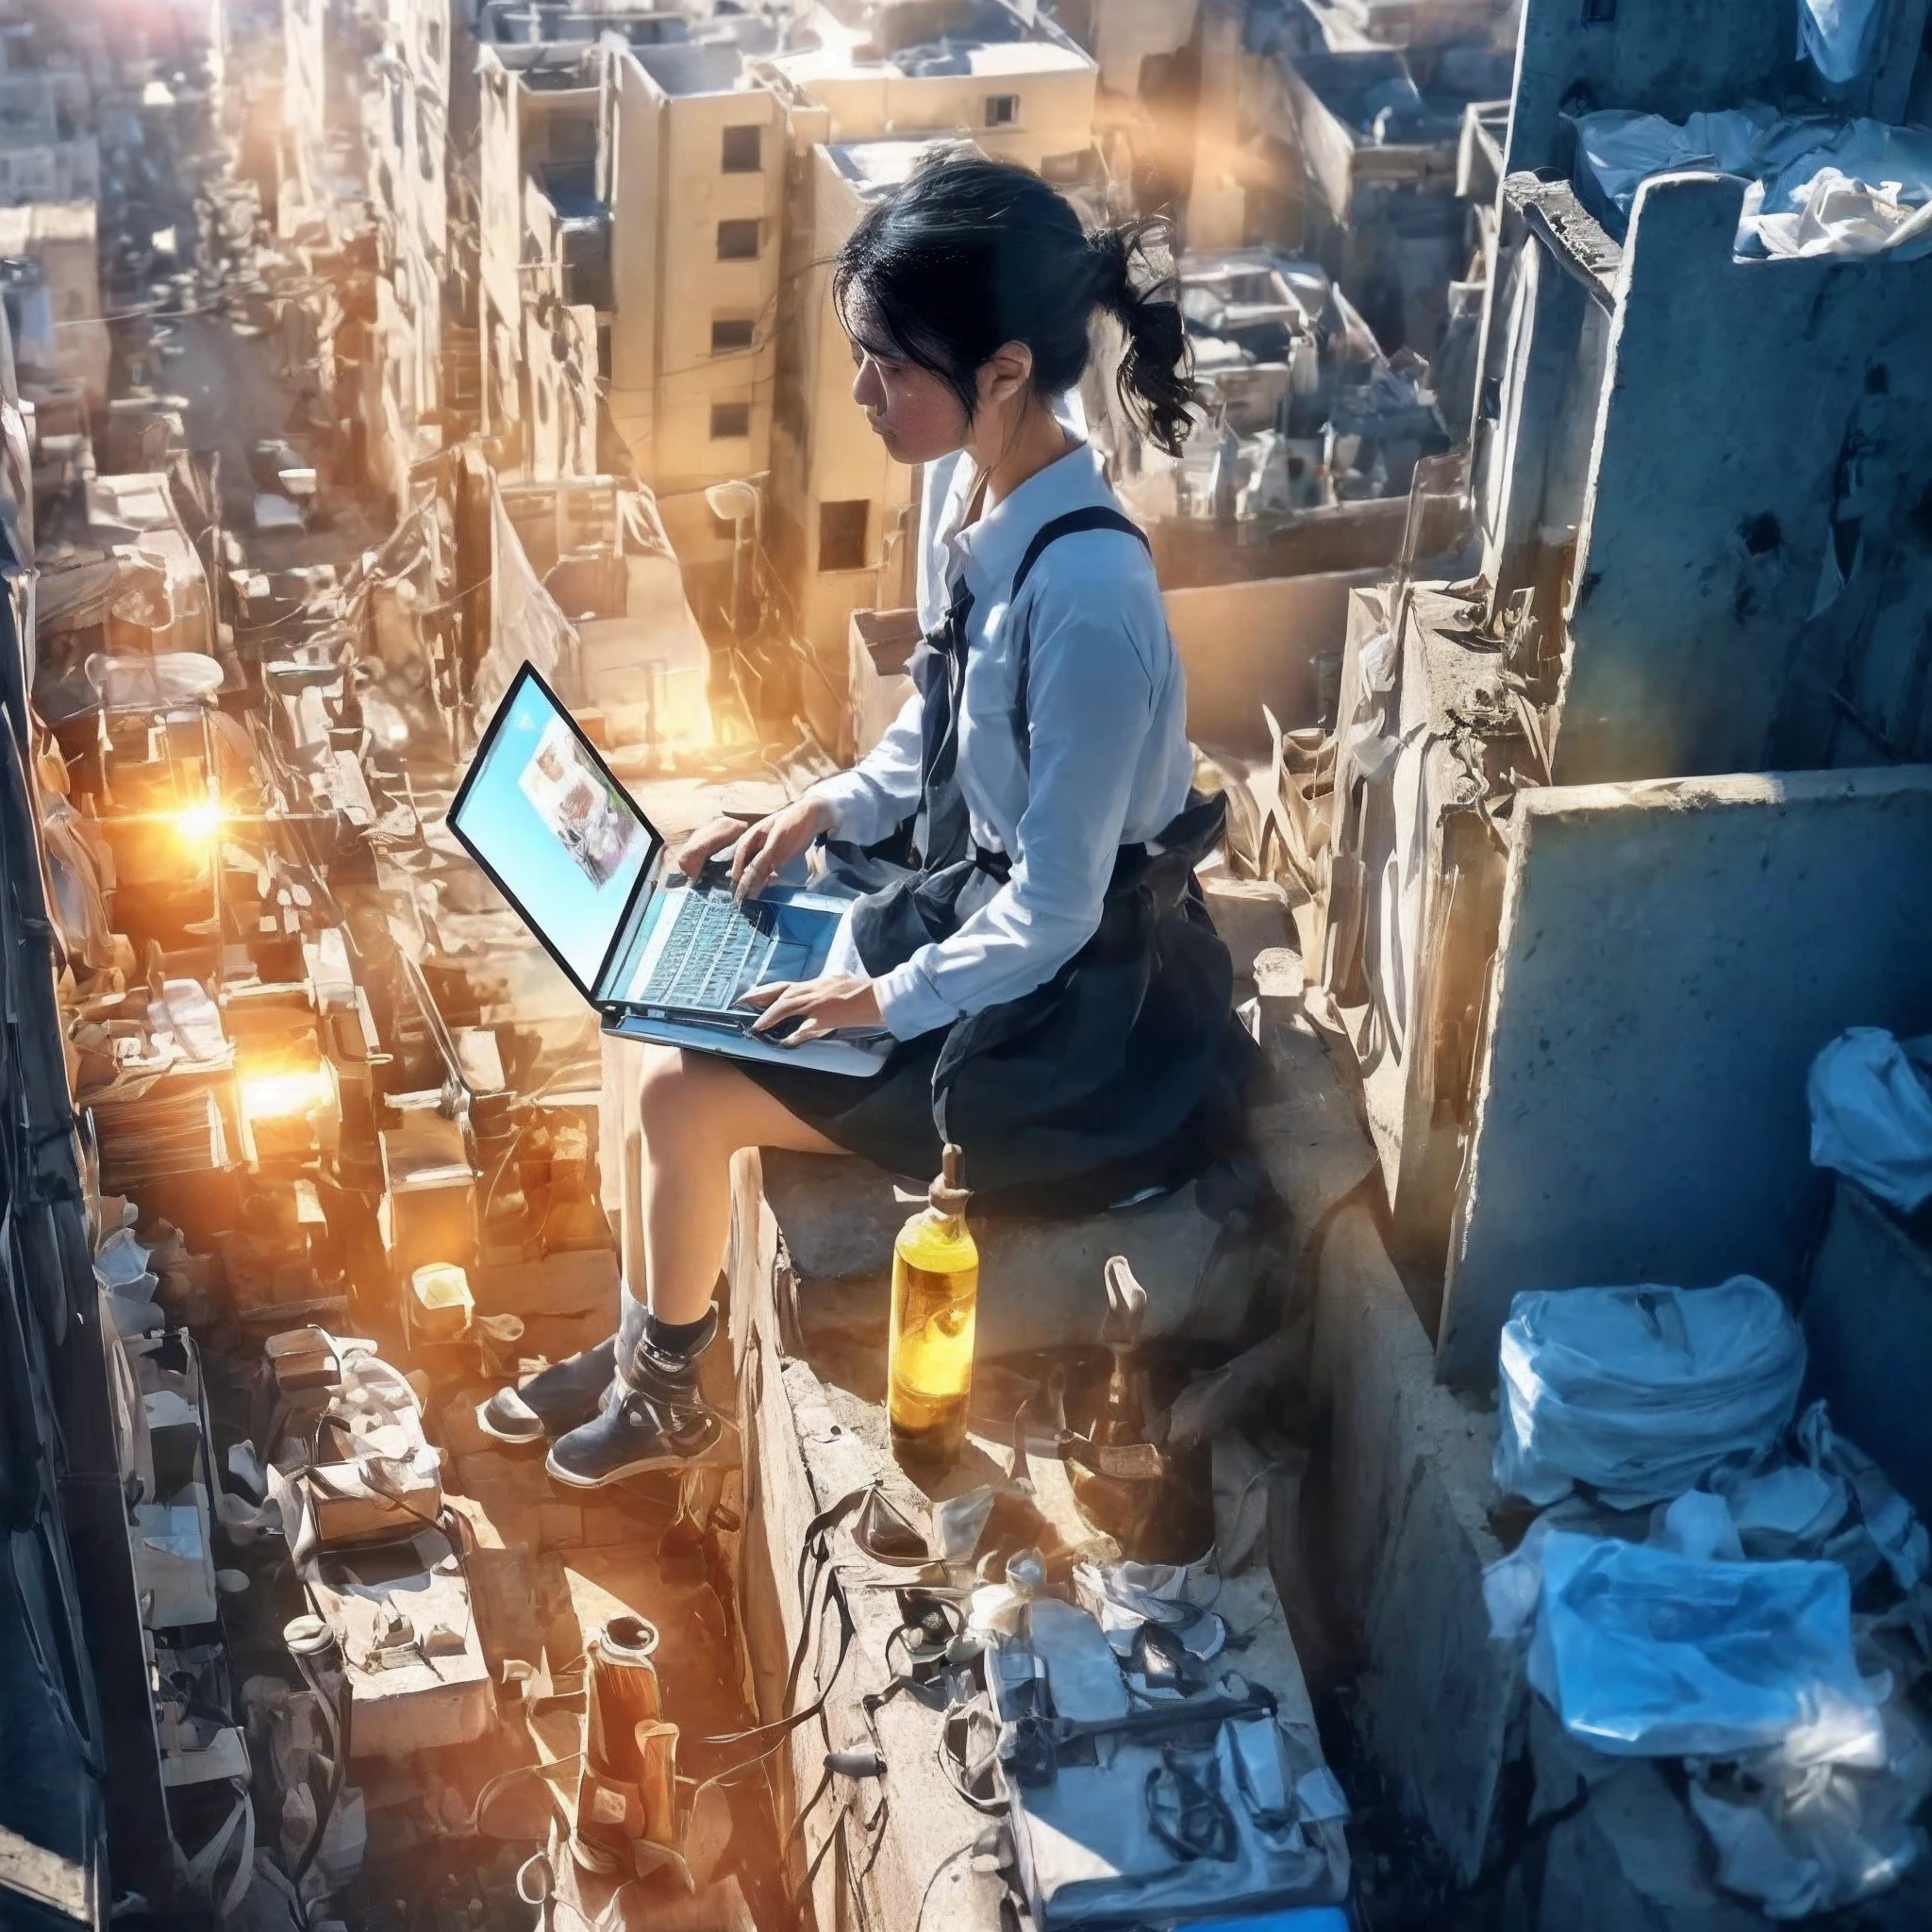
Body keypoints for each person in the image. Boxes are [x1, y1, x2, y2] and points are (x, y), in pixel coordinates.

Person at [479, 152, 1255, 1487]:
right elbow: (930, 730)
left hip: (1080, 1019)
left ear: (1005, 370)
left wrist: (879, 1000)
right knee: (658, 974)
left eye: (891, 365)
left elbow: (1059, 909)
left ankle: (669, 1390)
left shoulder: (1090, 605)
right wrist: (819, 805)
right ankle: (641, 1333)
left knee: (684, 1094)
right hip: (978, 913)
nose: (861, 395)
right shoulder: (964, 489)